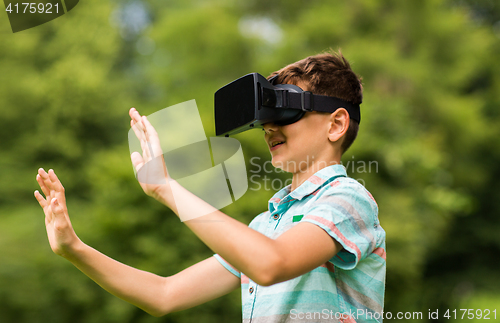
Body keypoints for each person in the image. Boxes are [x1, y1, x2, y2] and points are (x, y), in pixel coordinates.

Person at [35, 51, 386, 323]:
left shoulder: (348, 200)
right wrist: (73, 248)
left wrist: (165, 188)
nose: (268, 129)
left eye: (284, 113)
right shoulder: (265, 227)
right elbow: (164, 293)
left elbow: (271, 264)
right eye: (265, 119)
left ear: (336, 124)